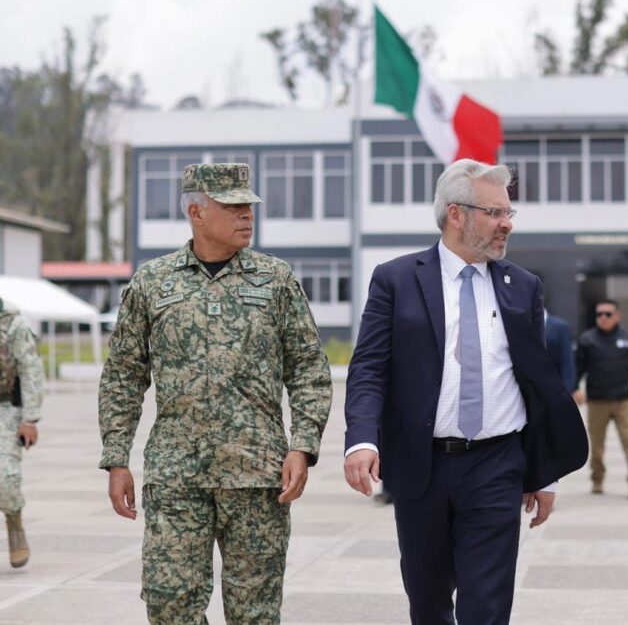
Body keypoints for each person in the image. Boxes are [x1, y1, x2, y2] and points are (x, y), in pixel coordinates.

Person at [343, 158, 588, 625]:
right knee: (428, 601)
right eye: (495, 213)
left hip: (497, 465)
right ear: (457, 214)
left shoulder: (524, 287)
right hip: (421, 465)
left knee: (487, 606)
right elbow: (370, 368)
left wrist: (545, 473)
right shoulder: (396, 280)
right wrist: (361, 439)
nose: (507, 224)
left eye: (509, 213)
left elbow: (536, 384)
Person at [98, 163, 332, 624]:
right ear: (196, 212)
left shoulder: (276, 280)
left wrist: (302, 445)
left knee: (255, 613)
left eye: (249, 206)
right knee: (169, 604)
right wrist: (117, 457)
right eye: (233, 206)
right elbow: (124, 374)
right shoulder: (153, 283)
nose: (247, 215)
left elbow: (308, 368)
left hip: (258, 477)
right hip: (175, 475)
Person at [574, 300, 628, 498]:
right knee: (597, 446)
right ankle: (597, 480)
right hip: (597, 402)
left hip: (623, 401)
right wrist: (575, 388)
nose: (603, 317)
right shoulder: (587, 340)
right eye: (599, 314)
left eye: (608, 314)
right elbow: (577, 369)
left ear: (617, 316)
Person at [0, 300, 44, 568]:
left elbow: (30, 369)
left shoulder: (12, 323)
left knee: (4, 475)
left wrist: (30, 418)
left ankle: (14, 519)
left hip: (5, 409)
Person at [545, 309, 576, 392]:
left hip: (552, 390)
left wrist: (566, 393)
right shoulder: (519, 323)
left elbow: (567, 362)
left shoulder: (560, 327)